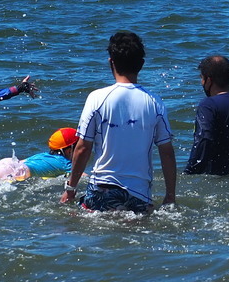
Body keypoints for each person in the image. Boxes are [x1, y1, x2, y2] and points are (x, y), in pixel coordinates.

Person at [60, 31, 176, 214]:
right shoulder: (155, 102)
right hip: (140, 195)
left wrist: (70, 189)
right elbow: (167, 153)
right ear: (142, 64)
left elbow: (82, 148)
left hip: (102, 189)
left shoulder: (97, 98)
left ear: (111, 62)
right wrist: (170, 196)